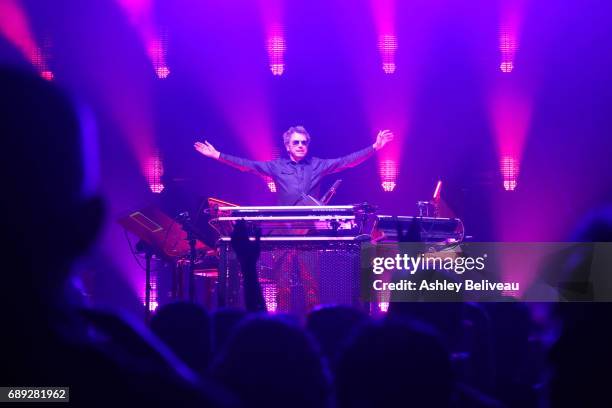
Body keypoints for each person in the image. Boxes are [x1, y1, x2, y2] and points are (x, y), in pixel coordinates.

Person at [194, 125, 394, 205]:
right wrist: (217, 155)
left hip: (312, 226)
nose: (300, 145)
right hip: (285, 225)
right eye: (296, 142)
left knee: (311, 276)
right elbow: (247, 165)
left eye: (304, 142)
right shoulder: (276, 166)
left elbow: (346, 161)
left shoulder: (318, 165)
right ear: (288, 146)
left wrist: (375, 147)